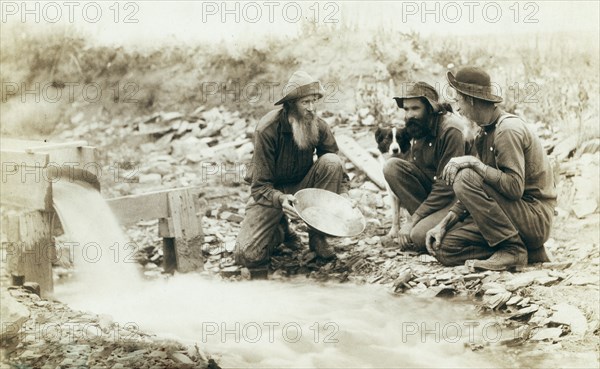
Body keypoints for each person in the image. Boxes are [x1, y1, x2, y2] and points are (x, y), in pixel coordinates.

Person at [425, 66, 557, 271]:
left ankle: (512, 251)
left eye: (458, 99)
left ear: (470, 99)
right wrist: (443, 224)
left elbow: (514, 188)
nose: (457, 108)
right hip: (512, 217)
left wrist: (474, 162)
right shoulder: (485, 132)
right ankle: (529, 251)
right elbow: (477, 190)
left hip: (533, 218)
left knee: (465, 176)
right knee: (445, 249)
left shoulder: (507, 130)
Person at [234, 71, 349, 268]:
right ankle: (282, 230)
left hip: (303, 188)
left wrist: (345, 195)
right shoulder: (267, 130)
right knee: (248, 256)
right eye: (305, 103)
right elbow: (259, 186)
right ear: (290, 105)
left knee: (331, 162)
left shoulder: (318, 125)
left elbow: (336, 164)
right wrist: (280, 200)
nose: (312, 109)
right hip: (271, 193)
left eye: (314, 101)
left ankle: (317, 237)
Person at [383, 81, 474, 251]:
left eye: (415, 108)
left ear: (431, 108)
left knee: (418, 237)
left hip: (456, 199)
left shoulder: (451, 130)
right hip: (435, 195)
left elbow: (446, 187)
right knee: (392, 167)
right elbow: (417, 171)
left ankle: (454, 227)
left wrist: (412, 220)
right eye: (406, 109)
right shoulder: (419, 127)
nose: (409, 115)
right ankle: (426, 224)